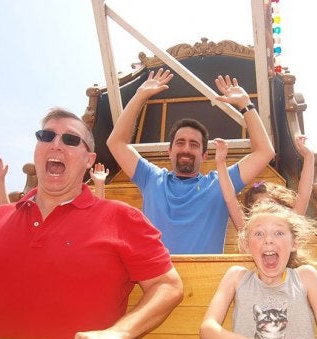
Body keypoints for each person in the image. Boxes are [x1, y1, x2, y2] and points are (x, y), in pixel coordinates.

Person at [0, 107, 183, 339]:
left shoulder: (123, 218)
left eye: (70, 140)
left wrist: (118, 333)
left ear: (89, 160)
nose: (56, 145)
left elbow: (167, 286)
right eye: (46, 136)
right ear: (36, 149)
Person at [106, 69, 275, 254]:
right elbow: (115, 143)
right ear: (169, 151)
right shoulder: (150, 177)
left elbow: (264, 152)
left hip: (202, 272)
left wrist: (246, 104)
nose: (186, 149)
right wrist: (140, 96)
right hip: (155, 271)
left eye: (194, 144)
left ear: (204, 155)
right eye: (180, 143)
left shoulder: (221, 182)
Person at [199, 201, 317, 339]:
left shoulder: (306, 277)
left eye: (279, 233)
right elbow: (208, 329)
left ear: (294, 243)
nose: (268, 239)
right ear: (247, 245)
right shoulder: (236, 277)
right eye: (259, 233)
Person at [215, 135, 314, 231]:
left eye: (271, 203)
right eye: (258, 205)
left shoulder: (291, 223)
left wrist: (309, 156)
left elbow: (303, 195)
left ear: (281, 206)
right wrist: (220, 162)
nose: (265, 207)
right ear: (251, 212)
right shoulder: (247, 229)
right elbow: (230, 199)